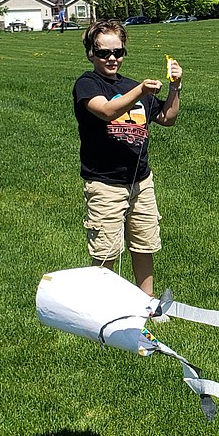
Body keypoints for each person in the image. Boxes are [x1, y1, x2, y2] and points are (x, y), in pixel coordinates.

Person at [73, 18, 182, 298]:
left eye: (118, 52)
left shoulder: (134, 86)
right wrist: (141, 91)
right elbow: (107, 111)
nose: (112, 58)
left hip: (141, 181)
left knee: (145, 245)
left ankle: (146, 303)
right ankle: (104, 308)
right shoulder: (87, 85)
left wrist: (175, 87)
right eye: (103, 53)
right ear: (91, 54)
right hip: (105, 183)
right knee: (106, 250)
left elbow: (167, 118)